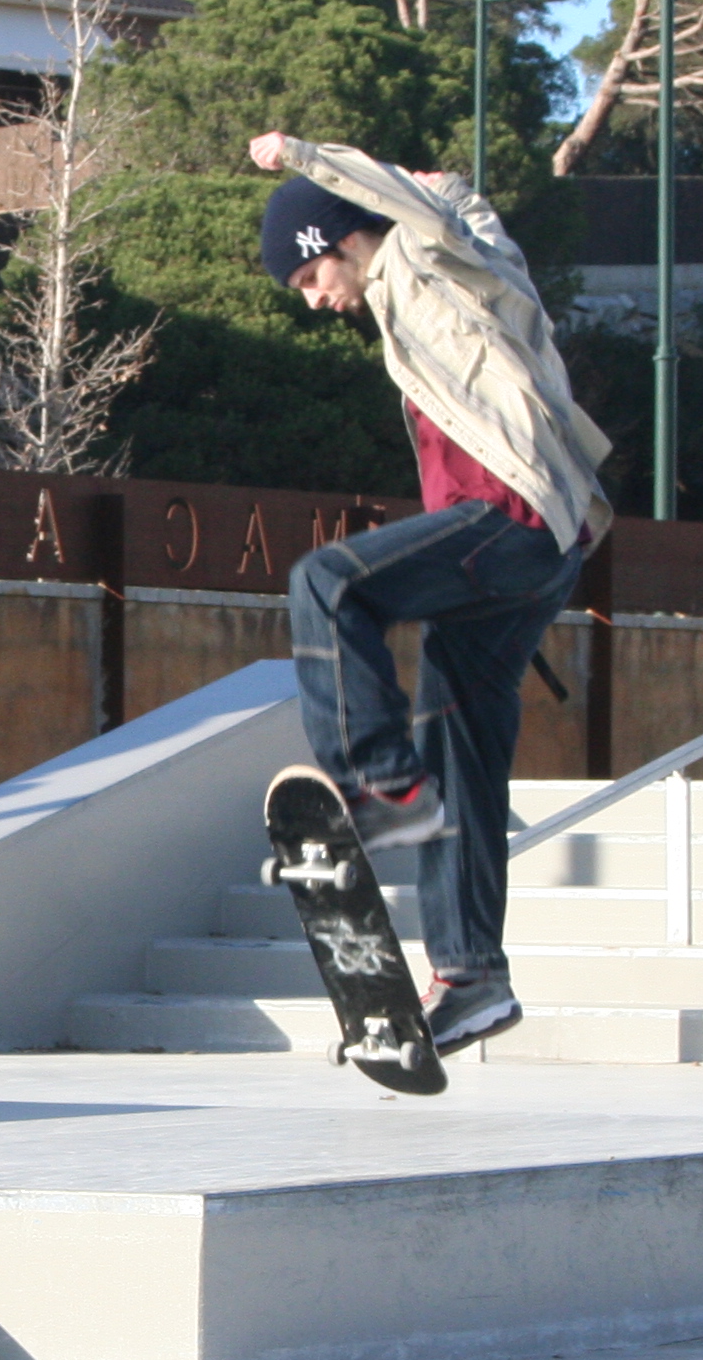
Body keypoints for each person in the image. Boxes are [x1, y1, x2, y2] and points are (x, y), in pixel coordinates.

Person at [247, 129, 614, 1051]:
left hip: (518, 514)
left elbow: (443, 211)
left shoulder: (427, 258)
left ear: (327, 239)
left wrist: (303, 157)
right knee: (463, 755)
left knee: (328, 582)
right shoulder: (400, 323)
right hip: (529, 551)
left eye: (307, 281)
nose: (318, 303)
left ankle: (375, 785)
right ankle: (472, 978)